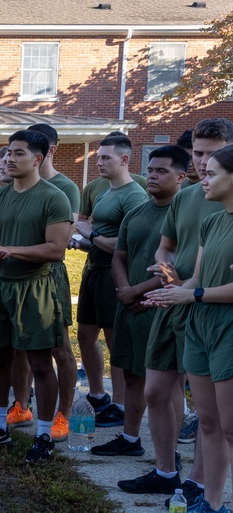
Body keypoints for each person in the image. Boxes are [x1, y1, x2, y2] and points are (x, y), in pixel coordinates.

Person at [136, 118, 233, 503]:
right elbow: (173, 258)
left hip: (216, 314)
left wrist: (190, 294)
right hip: (190, 308)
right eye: (198, 155)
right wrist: (170, 284)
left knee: (226, 425)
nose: (201, 167)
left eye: (212, 160)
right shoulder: (206, 212)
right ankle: (184, 483)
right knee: (181, 403)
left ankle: (204, 490)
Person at [0, 130, 72, 463]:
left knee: (41, 364)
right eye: (8, 153)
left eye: (19, 154)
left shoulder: (54, 197)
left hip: (36, 288)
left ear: (38, 159)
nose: (10, 159)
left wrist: (6, 249)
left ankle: (43, 435)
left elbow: (56, 249)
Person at [97, 147, 187, 475]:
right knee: (132, 374)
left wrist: (137, 290)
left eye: (161, 171)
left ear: (181, 177)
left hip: (163, 307)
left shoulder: (184, 213)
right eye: (150, 170)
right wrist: (125, 290)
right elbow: (119, 255)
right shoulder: (136, 211)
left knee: (167, 383)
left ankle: (171, 451)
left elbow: (179, 266)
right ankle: (129, 437)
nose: (151, 175)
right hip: (130, 306)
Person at [74, 134, 148, 428]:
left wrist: (90, 235)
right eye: (99, 157)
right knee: (85, 334)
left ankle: (119, 405)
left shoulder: (134, 196)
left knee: (114, 339)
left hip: (114, 275)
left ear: (125, 159)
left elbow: (128, 243)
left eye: (106, 157)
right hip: (93, 269)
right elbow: (99, 235)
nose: (100, 162)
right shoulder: (104, 192)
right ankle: (99, 395)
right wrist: (82, 242)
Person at [29, 123, 81, 442]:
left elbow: (64, 238)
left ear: (51, 150)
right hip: (21, 276)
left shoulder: (65, 187)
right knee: (25, 348)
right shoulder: (19, 186)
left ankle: (64, 413)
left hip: (50, 275)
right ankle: (22, 405)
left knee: (60, 347)